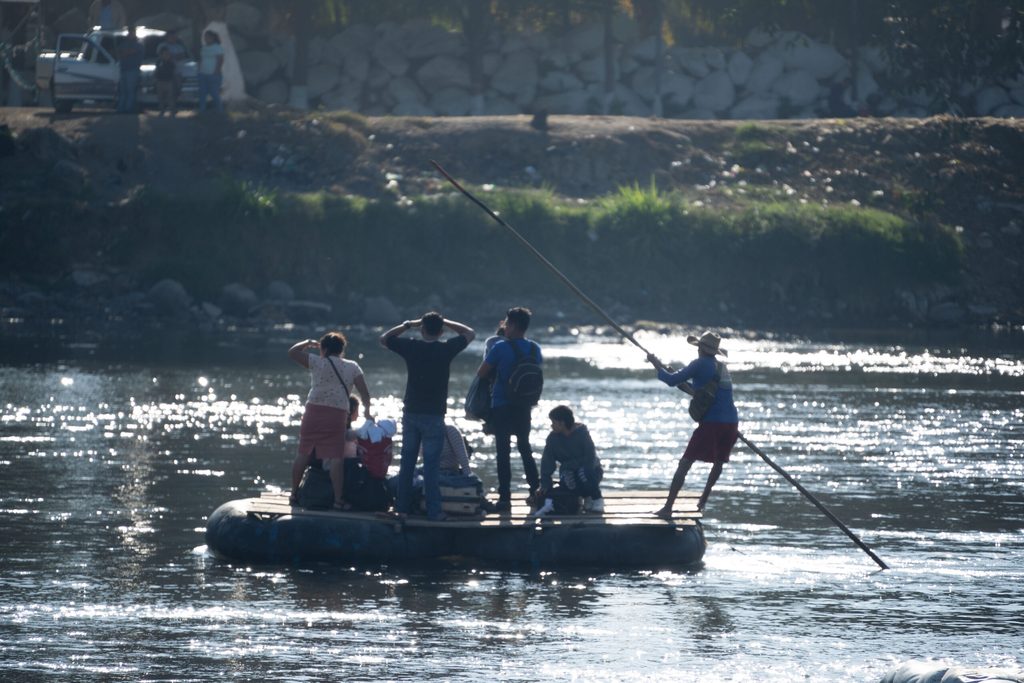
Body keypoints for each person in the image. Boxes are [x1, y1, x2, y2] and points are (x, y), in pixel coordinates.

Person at [380, 311, 475, 520]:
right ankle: (434, 512)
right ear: (441, 332)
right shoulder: (446, 349)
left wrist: (408, 324)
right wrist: (447, 322)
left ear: (422, 329)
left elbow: (384, 339)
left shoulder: (412, 346)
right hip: (434, 415)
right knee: (431, 466)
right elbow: (470, 333)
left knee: (407, 463)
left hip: (412, 412)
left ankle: (402, 508)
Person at [647, 331, 738, 517]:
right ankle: (703, 500)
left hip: (712, 423)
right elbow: (697, 393)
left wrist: (656, 364)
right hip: (731, 423)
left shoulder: (700, 364)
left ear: (700, 349)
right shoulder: (721, 368)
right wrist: (675, 376)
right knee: (719, 462)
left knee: (685, 463)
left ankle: (667, 508)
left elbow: (671, 381)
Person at [288, 332, 372, 510]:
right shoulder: (353, 366)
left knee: (303, 452)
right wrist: (368, 412)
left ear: (323, 348)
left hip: (313, 411)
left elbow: (292, 352)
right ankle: (338, 500)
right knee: (335, 457)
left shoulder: (317, 362)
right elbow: (365, 393)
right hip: (337, 413)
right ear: (342, 349)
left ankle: (294, 494)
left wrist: (307, 342)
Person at [476, 306, 541, 512]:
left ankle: (505, 500)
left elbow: (482, 373)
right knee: (525, 448)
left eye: (506, 323)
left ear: (512, 325)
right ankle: (535, 492)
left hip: (502, 404)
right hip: (524, 406)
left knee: (503, 452)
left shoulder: (500, 348)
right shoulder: (534, 348)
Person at [534, 405, 604, 517]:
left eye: (553, 422)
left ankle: (596, 498)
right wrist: (545, 485)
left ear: (562, 423)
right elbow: (547, 462)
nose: (551, 426)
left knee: (584, 472)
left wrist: (569, 465)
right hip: (569, 471)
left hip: (590, 471)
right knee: (567, 476)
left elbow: (590, 458)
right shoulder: (553, 439)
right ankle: (579, 497)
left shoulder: (583, 434)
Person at [116, 25, 144, 114]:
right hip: (123, 69)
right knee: (123, 91)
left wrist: (125, 53)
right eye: (129, 32)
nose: (130, 33)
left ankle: (128, 109)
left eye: (132, 32)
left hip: (133, 70)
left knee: (130, 90)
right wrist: (125, 53)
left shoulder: (139, 44)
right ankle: (121, 109)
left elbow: (128, 52)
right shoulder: (124, 43)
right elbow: (119, 54)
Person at [156, 30, 188, 101]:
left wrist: (171, 56)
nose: (173, 38)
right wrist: (173, 56)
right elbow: (162, 57)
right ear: (167, 37)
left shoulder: (179, 46)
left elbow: (182, 56)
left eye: (174, 36)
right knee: (163, 91)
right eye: (171, 37)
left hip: (177, 72)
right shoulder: (162, 45)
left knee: (177, 88)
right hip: (165, 73)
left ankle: (174, 104)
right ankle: (164, 106)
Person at [197, 29, 224, 113]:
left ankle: (220, 110)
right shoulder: (204, 47)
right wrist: (199, 69)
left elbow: (220, 60)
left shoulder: (217, 47)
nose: (206, 38)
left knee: (214, 93)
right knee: (202, 93)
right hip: (203, 73)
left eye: (207, 37)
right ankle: (202, 110)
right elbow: (201, 59)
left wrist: (216, 71)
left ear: (212, 38)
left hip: (213, 74)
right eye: (205, 37)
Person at [154, 47, 177, 116]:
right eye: (164, 54)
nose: (166, 55)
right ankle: (162, 110)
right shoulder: (158, 62)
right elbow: (156, 71)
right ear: (161, 55)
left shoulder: (171, 63)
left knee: (170, 97)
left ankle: (172, 110)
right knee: (160, 97)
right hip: (160, 81)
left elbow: (173, 72)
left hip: (169, 82)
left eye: (167, 54)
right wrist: (155, 78)